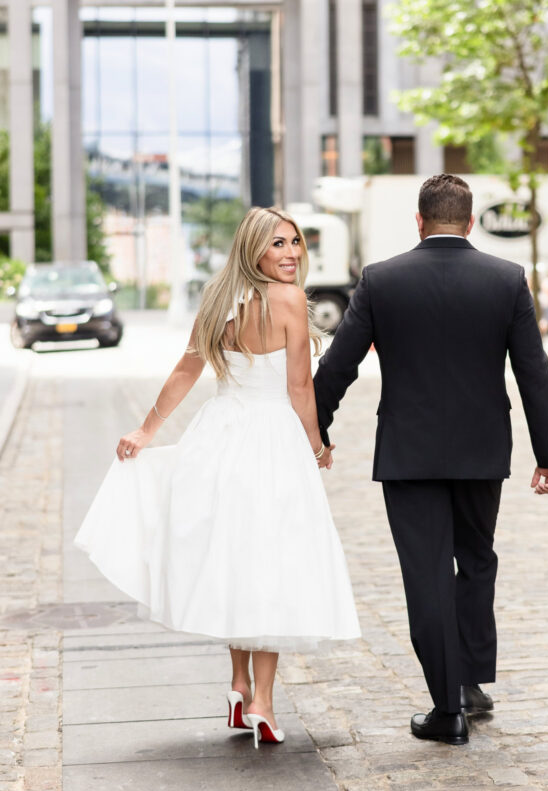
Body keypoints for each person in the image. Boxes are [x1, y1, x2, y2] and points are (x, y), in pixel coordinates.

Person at [75, 207, 360, 749]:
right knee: (269, 563)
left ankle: (236, 685)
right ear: (254, 248)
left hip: (220, 437)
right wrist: (317, 444)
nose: (291, 254)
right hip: (272, 440)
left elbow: (186, 371)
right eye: (278, 244)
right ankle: (264, 703)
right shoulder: (290, 301)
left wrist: (147, 429)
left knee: (233, 556)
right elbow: (300, 388)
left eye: (295, 243)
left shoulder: (216, 301)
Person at [313, 174, 548, 747]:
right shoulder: (506, 280)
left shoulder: (381, 280)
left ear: (420, 221)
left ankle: (448, 707)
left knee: (426, 574)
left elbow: (339, 366)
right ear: (471, 222)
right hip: (482, 451)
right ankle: (470, 683)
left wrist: (315, 429)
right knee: (476, 561)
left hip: (409, 452)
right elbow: (534, 372)